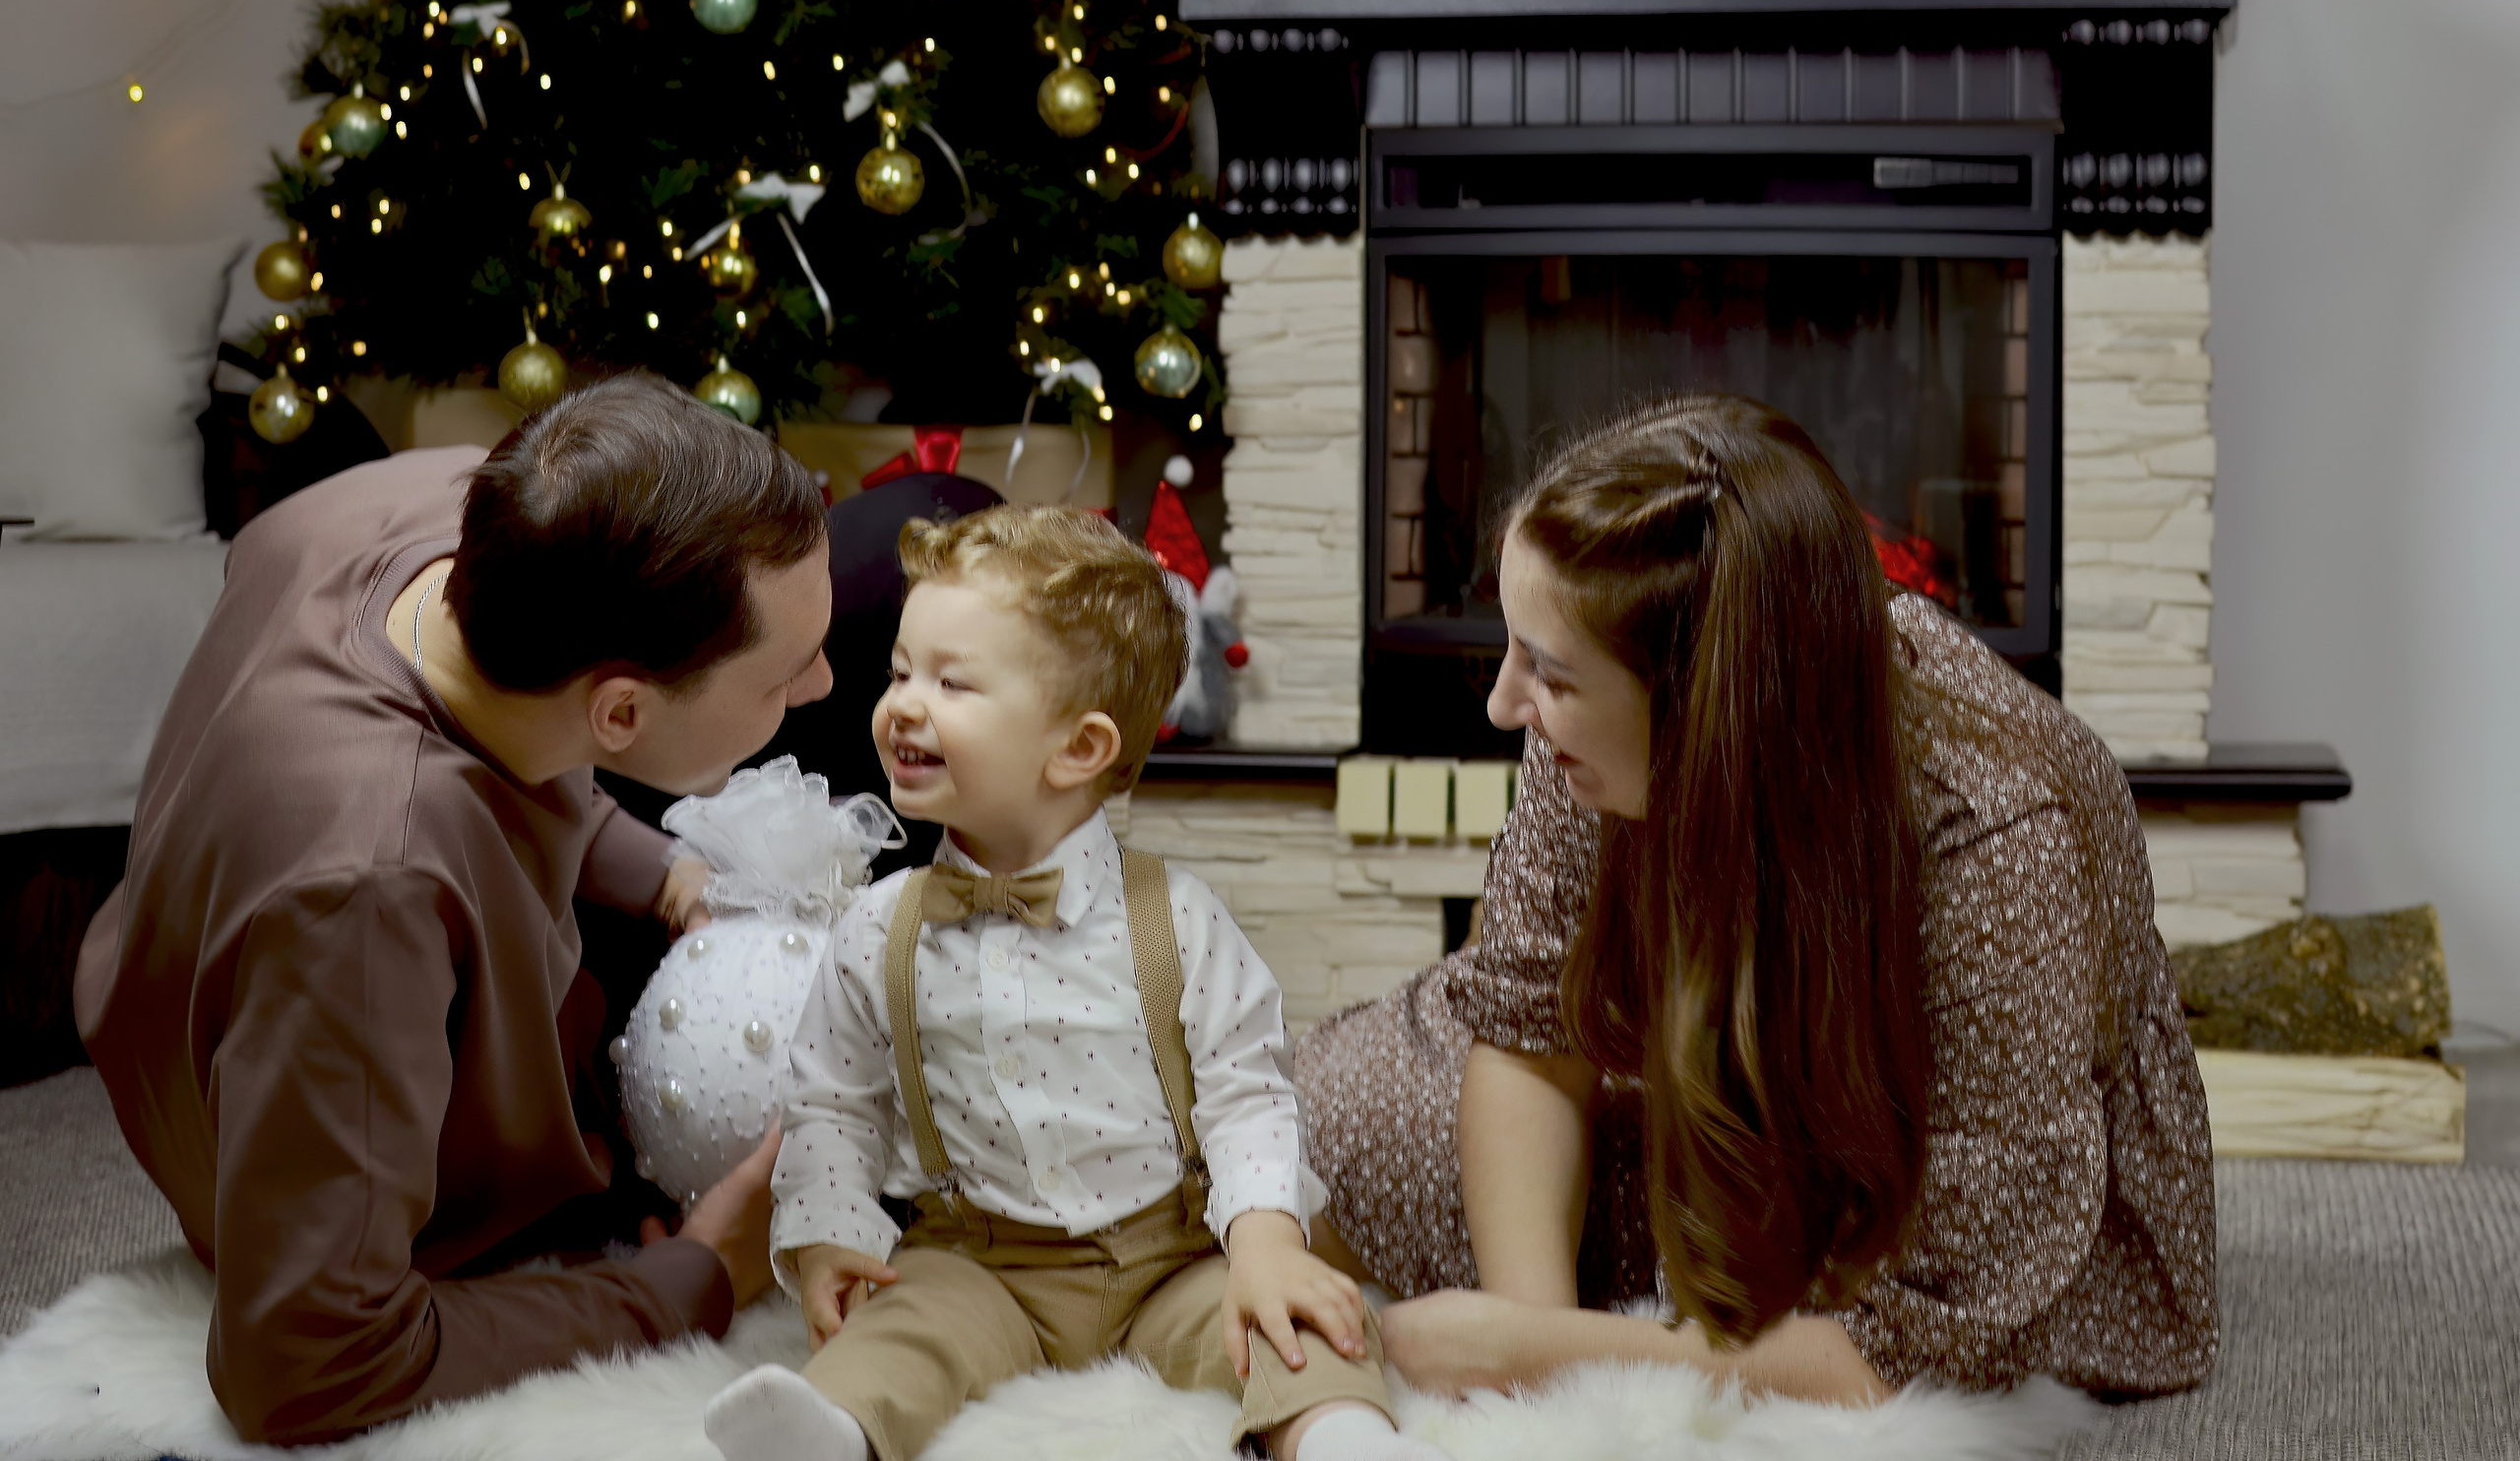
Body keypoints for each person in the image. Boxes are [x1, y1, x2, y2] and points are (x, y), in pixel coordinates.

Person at [1293, 395, 2218, 1406]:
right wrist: (1536, 1344)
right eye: (1515, 650)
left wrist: (1538, 1354)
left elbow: (1923, 1347)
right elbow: (1525, 1025)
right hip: (1708, 1062)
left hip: (1921, 1151)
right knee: (1329, 1107)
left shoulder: (1994, 830)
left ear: (1700, 711)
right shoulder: (1596, 705)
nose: (1505, 703)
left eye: (1548, 675)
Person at [72, 375, 834, 1444]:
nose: (821, 680)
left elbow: (531, 739)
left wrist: (655, 868)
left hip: (258, 961)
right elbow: (303, 1361)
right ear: (618, 710)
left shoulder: (435, 502)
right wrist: (692, 1275)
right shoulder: (370, 894)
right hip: (304, 1115)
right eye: (786, 672)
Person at [704, 507, 1434, 1461]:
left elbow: (1246, 1094)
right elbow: (834, 1102)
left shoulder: (1177, 919)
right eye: (900, 671)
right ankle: (832, 1428)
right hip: (978, 1259)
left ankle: (1338, 1432)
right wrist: (831, 1232)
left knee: (1284, 1325)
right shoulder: (879, 929)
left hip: (1171, 1256)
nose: (904, 705)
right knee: (904, 1328)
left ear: (1079, 748)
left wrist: (1264, 1244)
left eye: (952, 681)